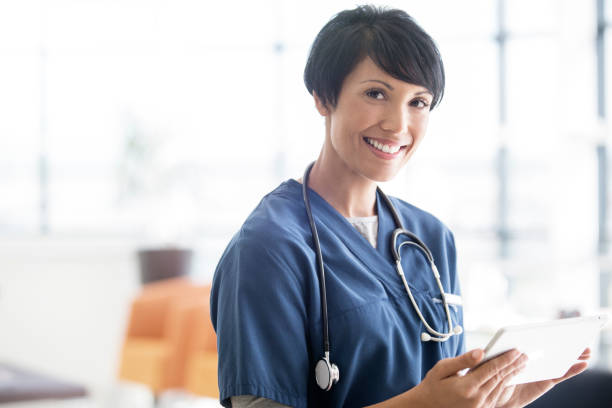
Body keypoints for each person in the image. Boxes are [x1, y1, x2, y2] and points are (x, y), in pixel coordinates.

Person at [210, 5, 590, 408]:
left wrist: (496, 400)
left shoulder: (431, 238)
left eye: (419, 102)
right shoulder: (268, 249)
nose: (397, 124)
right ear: (324, 97)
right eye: (376, 94)